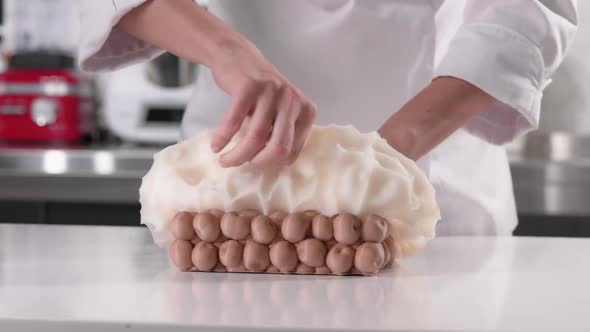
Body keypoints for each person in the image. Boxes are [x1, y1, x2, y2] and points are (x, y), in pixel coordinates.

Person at [77, 0, 578, 235]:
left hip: (435, 192)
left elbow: (527, 11)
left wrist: (382, 159)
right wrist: (225, 49)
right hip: (231, 198)